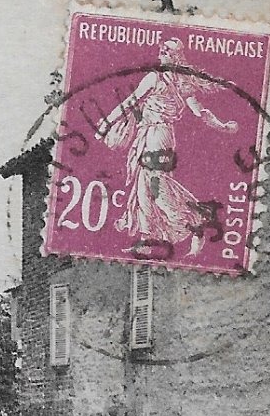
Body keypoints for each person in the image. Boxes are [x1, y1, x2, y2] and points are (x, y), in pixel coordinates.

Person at [94, 37, 239, 257]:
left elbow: (131, 101)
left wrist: (106, 123)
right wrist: (224, 126)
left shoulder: (158, 78)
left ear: (176, 56)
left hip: (156, 134)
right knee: (143, 184)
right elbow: (200, 112)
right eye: (162, 48)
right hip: (155, 135)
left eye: (167, 50)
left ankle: (192, 222)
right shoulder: (179, 82)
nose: (161, 51)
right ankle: (147, 236)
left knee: (155, 184)